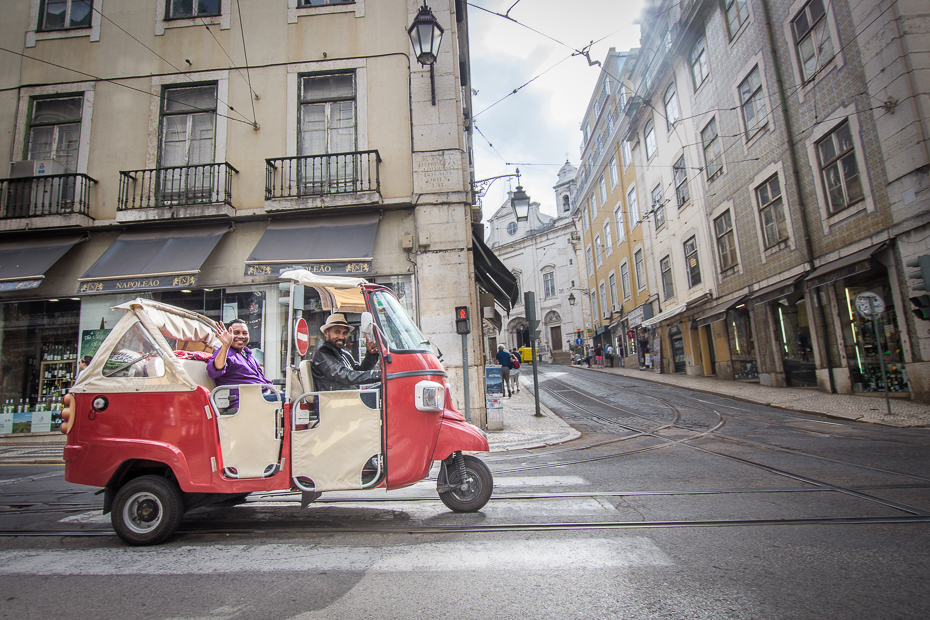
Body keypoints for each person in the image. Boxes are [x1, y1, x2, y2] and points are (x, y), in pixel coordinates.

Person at [311, 313, 381, 391]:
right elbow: (345, 376)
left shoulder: (342, 353)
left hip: (347, 396)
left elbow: (359, 371)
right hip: (335, 399)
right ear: (326, 333)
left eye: (344, 333)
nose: (341, 337)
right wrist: (379, 375)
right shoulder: (323, 352)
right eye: (337, 332)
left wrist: (371, 355)